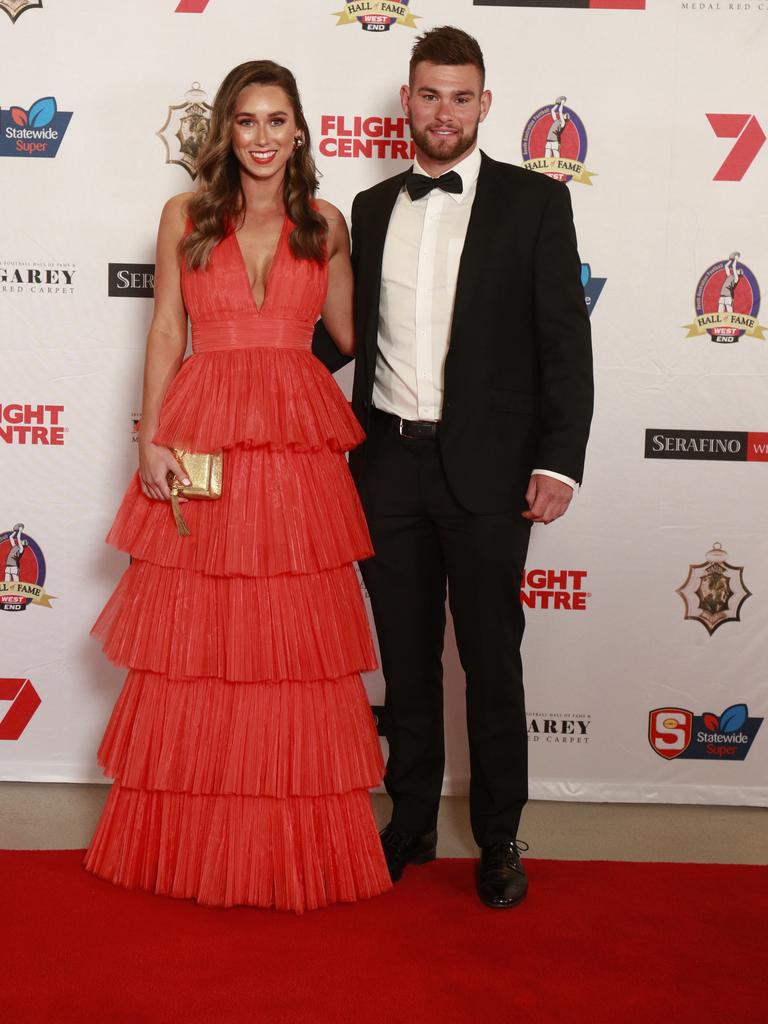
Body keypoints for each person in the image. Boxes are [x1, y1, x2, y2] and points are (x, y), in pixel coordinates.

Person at [85, 60, 392, 913]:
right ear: (227, 132)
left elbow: (353, 333)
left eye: (277, 120)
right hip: (203, 432)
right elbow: (164, 331)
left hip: (293, 447)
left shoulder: (325, 223)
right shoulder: (184, 215)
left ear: (301, 132)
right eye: (247, 121)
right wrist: (151, 440)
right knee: (204, 640)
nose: (262, 137)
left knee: (289, 640)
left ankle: (284, 842)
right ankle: (195, 842)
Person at [314, 27, 593, 909]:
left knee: (492, 661)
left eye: (461, 96)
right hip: (387, 467)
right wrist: (243, 369)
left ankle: (502, 838)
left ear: (485, 102)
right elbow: (343, 337)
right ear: (407, 99)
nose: (444, 112)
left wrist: (561, 461)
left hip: (492, 473)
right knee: (404, 662)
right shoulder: (366, 207)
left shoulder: (535, 204)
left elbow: (564, 345)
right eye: (429, 95)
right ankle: (409, 824)